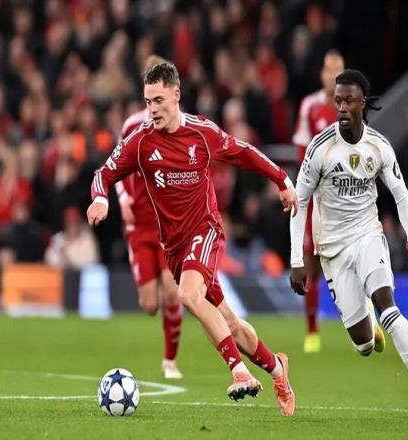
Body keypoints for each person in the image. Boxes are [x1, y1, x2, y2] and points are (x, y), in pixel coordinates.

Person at [87, 61, 297, 416]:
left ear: (176, 95)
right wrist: (101, 198)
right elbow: (104, 173)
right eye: (148, 102)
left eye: (158, 100)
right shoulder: (140, 142)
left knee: (187, 294)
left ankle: (239, 372)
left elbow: (244, 152)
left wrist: (282, 179)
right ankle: (278, 370)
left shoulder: (202, 133)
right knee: (230, 323)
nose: (152, 109)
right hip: (174, 247)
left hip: (206, 230)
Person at [289, 69, 408, 415]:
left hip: (367, 235)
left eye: (349, 100)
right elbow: (298, 202)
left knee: (388, 306)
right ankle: (367, 324)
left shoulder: (379, 146)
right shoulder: (320, 149)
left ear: (363, 103)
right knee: (363, 345)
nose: (342, 107)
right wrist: (297, 260)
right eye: (338, 101)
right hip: (332, 250)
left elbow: (401, 194)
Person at [292, 49, 382, 353]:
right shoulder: (310, 106)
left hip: (349, 195)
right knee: (312, 259)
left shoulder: (352, 105)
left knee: (356, 255)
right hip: (319, 198)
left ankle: (366, 314)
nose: (332, 74)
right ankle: (312, 329)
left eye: (337, 69)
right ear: (322, 73)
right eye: (328, 69)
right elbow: (301, 152)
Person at [114, 55, 183, 380]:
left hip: (167, 224)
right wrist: (123, 198)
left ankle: (170, 361)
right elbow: (115, 166)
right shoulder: (132, 126)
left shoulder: (177, 126)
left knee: (172, 293)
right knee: (149, 305)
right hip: (139, 224)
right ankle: (148, 280)